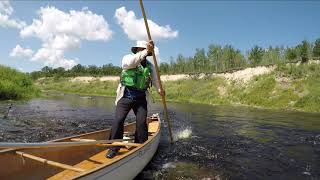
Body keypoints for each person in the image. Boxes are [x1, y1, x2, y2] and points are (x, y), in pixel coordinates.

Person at [106, 40, 164, 158]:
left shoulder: (150, 66)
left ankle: (141, 145)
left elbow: (155, 79)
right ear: (137, 50)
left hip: (141, 98)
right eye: (142, 50)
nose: (144, 53)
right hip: (125, 96)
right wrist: (147, 50)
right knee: (119, 120)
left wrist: (159, 90)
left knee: (141, 122)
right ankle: (114, 147)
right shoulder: (128, 58)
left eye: (146, 51)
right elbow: (128, 64)